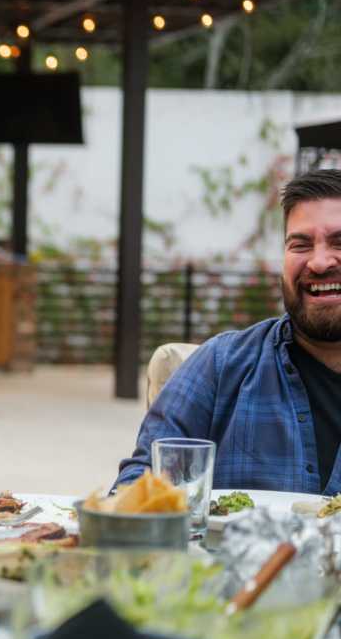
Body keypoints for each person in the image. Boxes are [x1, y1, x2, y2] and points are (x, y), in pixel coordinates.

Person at [117, 169, 341, 494]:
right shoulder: (221, 364)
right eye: (300, 245)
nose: (319, 262)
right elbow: (142, 481)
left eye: (339, 241)